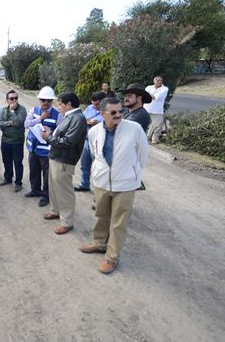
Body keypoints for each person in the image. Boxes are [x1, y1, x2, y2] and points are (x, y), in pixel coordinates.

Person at [81, 97, 149, 274]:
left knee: (119, 223)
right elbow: (96, 155)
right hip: (102, 182)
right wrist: (98, 174)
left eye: (121, 111)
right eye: (113, 112)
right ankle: (99, 243)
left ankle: (112, 258)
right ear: (103, 113)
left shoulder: (135, 129)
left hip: (125, 185)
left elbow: (142, 156)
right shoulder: (94, 131)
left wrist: (131, 174)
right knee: (101, 215)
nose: (119, 114)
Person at [40, 93, 88, 235]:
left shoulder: (78, 118)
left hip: (65, 160)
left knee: (64, 191)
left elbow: (68, 142)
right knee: (54, 188)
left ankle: (67, 222)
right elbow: (62, 134)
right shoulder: (70, 117)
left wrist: (48, 137)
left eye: (60, 104)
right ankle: (55, 211)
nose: (58, 107)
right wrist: (51, 133)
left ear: (69, 104)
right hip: (56, 157)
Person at [23, 86, 61, 207]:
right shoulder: (34, 110)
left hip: (46, 151)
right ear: (39, 100)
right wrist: (40, 118)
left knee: (46, 174)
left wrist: (50, 132)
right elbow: (26, 124)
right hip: (33, 148)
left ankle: (46, 195)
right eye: (43, 100)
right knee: (34, 170)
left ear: (52, 101)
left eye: (48, 100)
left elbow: (60, 132)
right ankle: (35, 190)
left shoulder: (58, 115)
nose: (45, 103)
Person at [0, 90, 27, 192]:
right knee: (6, 161)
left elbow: (18, 122)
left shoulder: (22, 109)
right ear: (7, 100)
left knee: (18, 163)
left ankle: (18, 183)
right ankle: (8, 178)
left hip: (17, 142)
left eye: (16, 98)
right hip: (5, 141)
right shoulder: (4, 110)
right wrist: (10, 123)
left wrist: (13, 111)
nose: (14, 100)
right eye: (11, 98)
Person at [75, 91, 106, 192]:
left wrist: (100, 123)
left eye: (97, 104)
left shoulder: (110, 111)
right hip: (87, 141)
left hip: (101, 143)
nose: (94, 106)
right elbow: (82, 118)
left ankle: (101, 190)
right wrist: (86, 121)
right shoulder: (89, 108)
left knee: (99, 167)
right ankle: (85, 184)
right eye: (93, 103)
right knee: (84, 164)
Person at [144, 76, 169, 144]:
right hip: (146, 109)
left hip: (157, 111)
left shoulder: (165, 89)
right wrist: (150, 96)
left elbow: (156, 97)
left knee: (157, 126)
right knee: (147, 125)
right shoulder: (148, 87)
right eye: (158, 80)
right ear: (154, 81)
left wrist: (149, 96)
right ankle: (146, 138)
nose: (160, 81)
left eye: (161, 80)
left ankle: (155, 139)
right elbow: (144, 96)